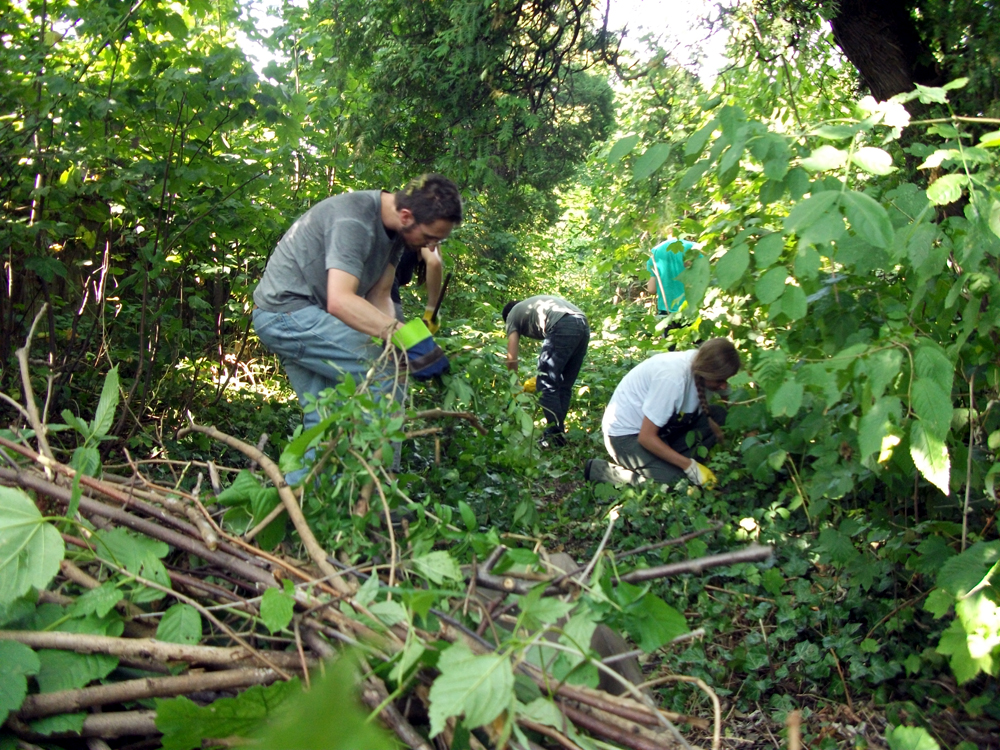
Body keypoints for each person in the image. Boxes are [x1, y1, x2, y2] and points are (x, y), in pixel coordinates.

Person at [252, 174, 463, 464]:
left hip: (306, 315)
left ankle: (301, 503)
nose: (430, 247)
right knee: (386, 376)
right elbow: (341, 300)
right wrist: (406, 337)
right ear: (406, 215)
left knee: (325, 420)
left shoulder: (398, 233)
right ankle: (377, 498)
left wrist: (395, 344)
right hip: (286, 314)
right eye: (429, 237)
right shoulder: (355, 221)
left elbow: (380, 296)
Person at [585, 338, 741, 487]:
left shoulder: (706, 365)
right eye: (720, 381)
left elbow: (732, 406)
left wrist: (750, 434)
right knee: (677, 483)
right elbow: (646, 438)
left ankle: (664, 465)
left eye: (726, 380)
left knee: (719, 414)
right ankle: (601, 471)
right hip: (627, 437)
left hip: (663, 431)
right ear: (707, 372)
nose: (723, 386)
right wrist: (689, 466)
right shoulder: (673, 379)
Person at [503, 295, 590, 446]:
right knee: (563, 385)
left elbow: (511, 358)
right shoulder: (532, 306)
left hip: (563, 324)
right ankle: (558, 435)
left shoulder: (512, 315)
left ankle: (555, 437)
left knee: (545, 384)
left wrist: (514, 385)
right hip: (582, 323)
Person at [392, 245, 444, 332]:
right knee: (398, 340)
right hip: (381, 295)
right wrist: (432, 309)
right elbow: (434, 262)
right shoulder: (425, 237)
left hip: (375, 292)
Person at [647, 237, 694, 315]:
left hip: (666, 310)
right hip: (691, 309)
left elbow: (652, 289)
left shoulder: (654, 252)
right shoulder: (693, 247)